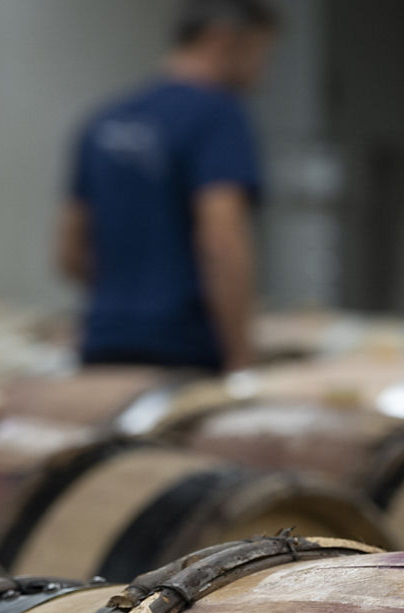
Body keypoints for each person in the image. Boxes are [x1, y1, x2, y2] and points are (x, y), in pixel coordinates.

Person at [57, 0, 279, 374]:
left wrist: (127, 300)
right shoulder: (218, 116)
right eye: (259, 54)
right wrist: (242, 358)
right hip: (183, 348)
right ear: (221, 40)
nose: (262, 72)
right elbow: (222, 243)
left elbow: (69, 254)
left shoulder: (103, 120)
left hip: (103, 345)